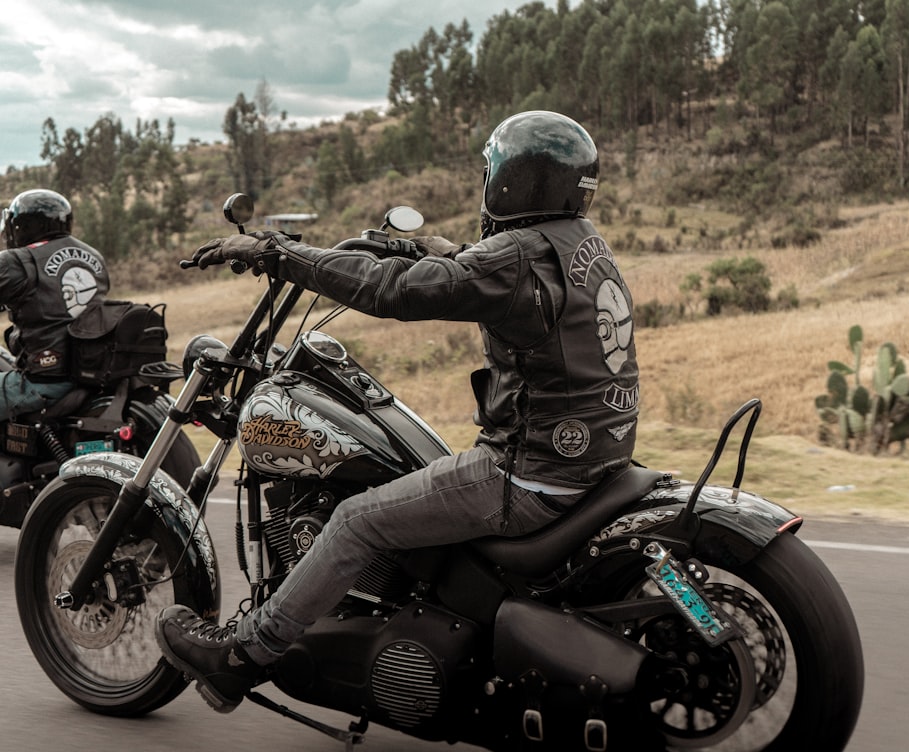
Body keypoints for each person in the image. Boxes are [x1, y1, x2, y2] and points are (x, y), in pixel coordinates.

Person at [155, 110, 641, 713]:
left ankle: (241, 657)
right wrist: (445, 251)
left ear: (513, 181)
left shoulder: (513, 257)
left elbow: (394, 290)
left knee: (358, 520)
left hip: (529, 472)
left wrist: (278, 252)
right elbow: (492, 273)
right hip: (598, 454)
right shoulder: (577, 241)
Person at [0, 189, 110, 420]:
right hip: (91, 371)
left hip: (46, 379)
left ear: (22, 225)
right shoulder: (93, 256)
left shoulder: (15, 261)